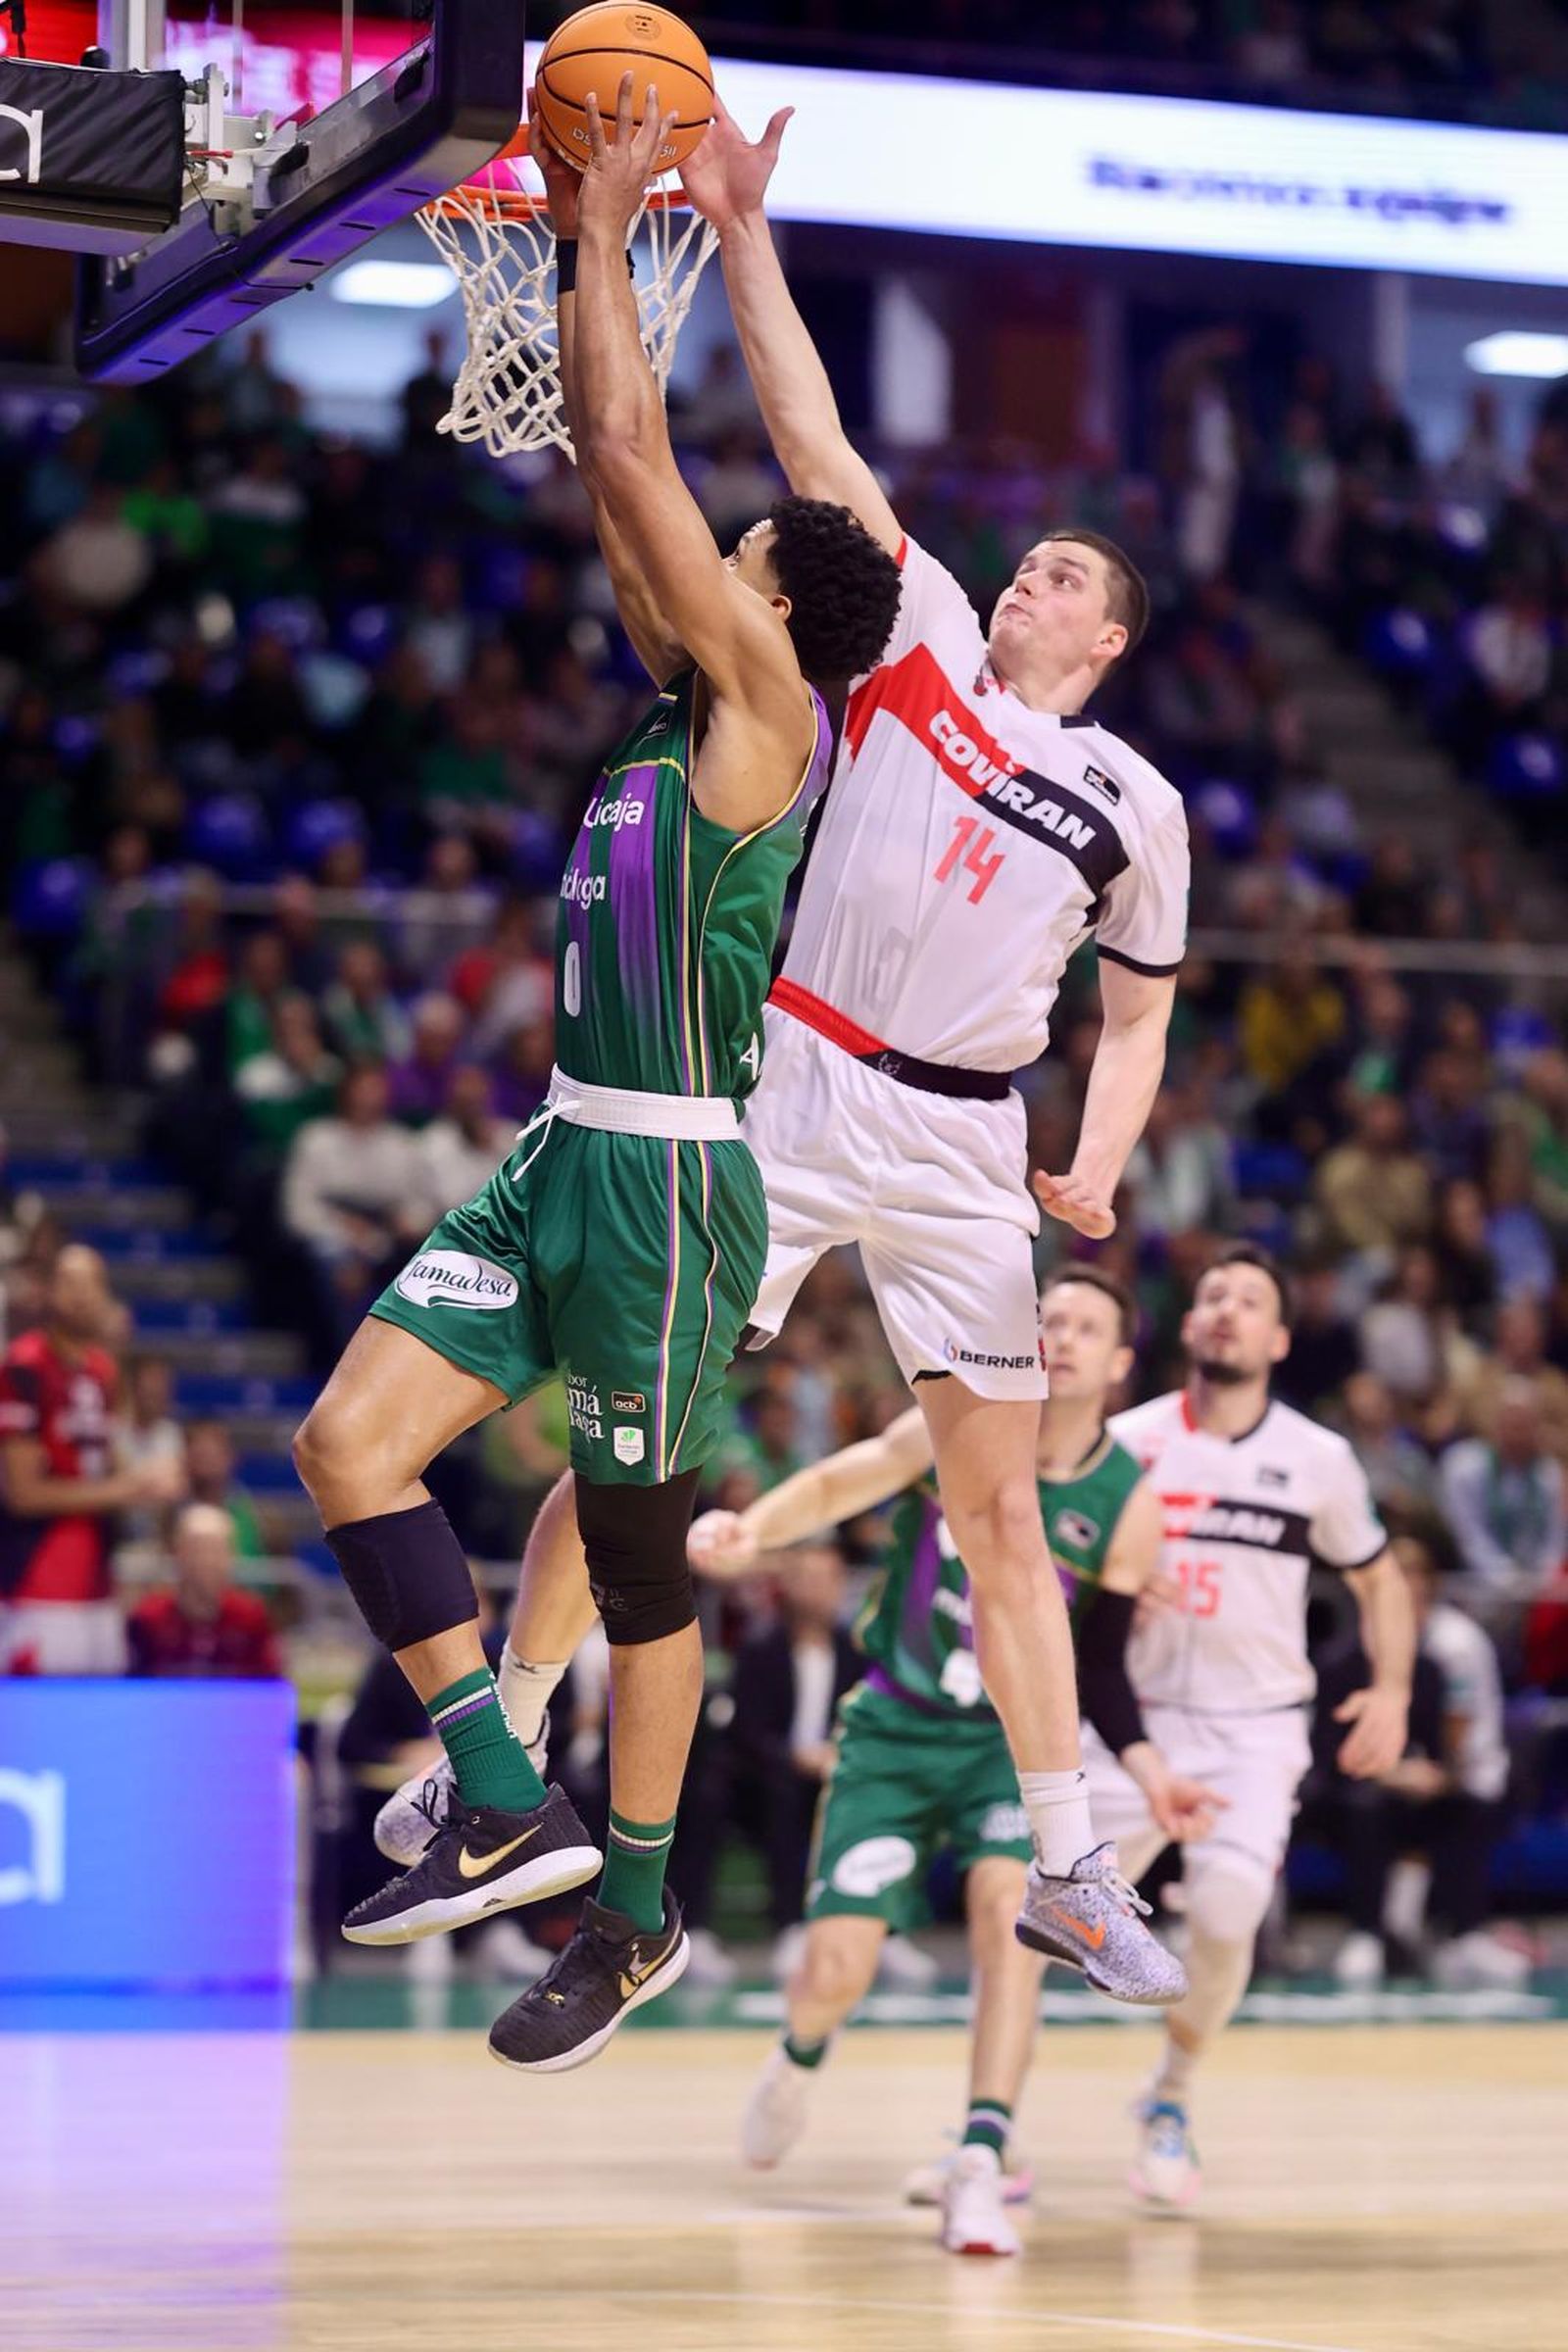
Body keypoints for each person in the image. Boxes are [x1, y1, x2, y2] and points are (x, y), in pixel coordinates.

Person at [448, 92, 1194, 2012]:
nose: (1021, 578)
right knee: (639, 1422)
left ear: (1105, 642)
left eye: (1060, 580)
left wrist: (1099, 1157)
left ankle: (1075, 1864)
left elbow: (1136, 1012)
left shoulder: (1131, 801)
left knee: (996, 1510)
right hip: (795, 1078)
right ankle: (509, 1736)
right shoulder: (920, 631)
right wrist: (749, 234)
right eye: (1021, 562)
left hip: (962, 1144)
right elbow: (810, 437)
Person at [289, 79, 901, 2075]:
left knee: (639, 1573)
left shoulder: (769, 715)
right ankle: (495, 1794)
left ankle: (629, 1920)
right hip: (562, 1152)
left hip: (663, 1190)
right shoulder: (681, 687)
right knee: (345, 1448)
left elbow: (633, 444)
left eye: (735, 556)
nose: (697, 553)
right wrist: (607, 257)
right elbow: (609, 474)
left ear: (781, 608)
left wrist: (603, 218)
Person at [691, 1269, 1218, 2257]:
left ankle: (981, 2156)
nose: (1057, 1334)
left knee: (1006, 1927)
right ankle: (800, 2055)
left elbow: (1100, 1671)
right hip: (893, 1728)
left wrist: (1146, 1771)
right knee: (833, 1971)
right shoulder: (962, 1425)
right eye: (1046, 1316)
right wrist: (752, 1531)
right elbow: (845, 1477)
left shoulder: (1125, 1505)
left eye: (1084, 1325)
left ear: (1117, 1364)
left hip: (1005, 1751)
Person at [1091, 1245, 1415, 2211]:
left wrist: (1391, 1688)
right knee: (1027, 1915)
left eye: (1249, 1301)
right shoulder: (1124, 1442)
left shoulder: (1317, 1459)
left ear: (1278, 1337)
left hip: (1254, 1728)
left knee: (1228, 1916)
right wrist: (1097, 1587)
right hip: (1126, 1721)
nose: (1226, 1311)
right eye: (1211, 1296)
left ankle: (1169, 2100)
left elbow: (1377, 1577)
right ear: (1187, 1327)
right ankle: (986, 2131)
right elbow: (1048, 1564)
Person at [1323, 1534, 1516, 1992]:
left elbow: (1456, 1745)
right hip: (1365, 1780)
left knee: (1463, 1808)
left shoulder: (1450, 1650)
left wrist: (1435, 1775)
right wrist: (1384, 1770)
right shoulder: (1346, 1652)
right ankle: (1369, 1933)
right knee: (1363, 1806)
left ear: (1429, 1585)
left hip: (1451, 1774)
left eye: (1410, 1577)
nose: (1402, 1589)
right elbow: (1329, 1741)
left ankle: (1460, 1935)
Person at [0, 1247, 184, 1674]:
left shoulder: (103, 1369)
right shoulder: (24, 1365)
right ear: (48, 1291)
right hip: (37, 1586)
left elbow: (107, 1465)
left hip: (99, 1582)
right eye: (69, 1282)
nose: (80, 1295)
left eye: (91, 1284)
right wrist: (127, 1488)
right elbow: (22, 1493)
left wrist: (149, 1482)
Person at [125, 1502, 281, 1678]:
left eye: (216, 1550)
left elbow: (271, 1686)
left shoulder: (251, 1617)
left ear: (232, 1556)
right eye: (197, 1549)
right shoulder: (148, 1619)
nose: (207, 1560)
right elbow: (134, 1689)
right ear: (177, 1553)